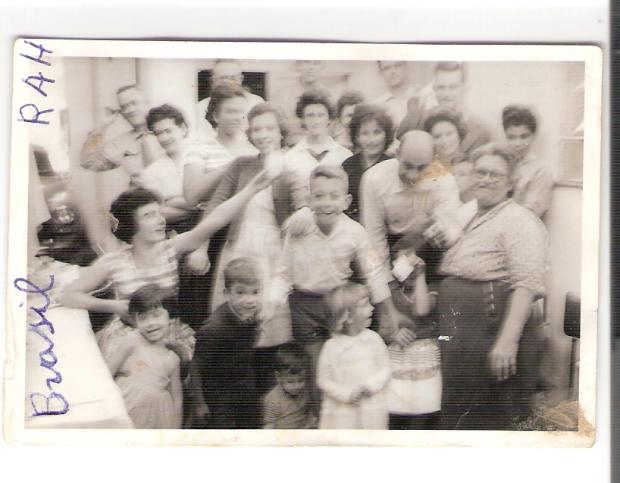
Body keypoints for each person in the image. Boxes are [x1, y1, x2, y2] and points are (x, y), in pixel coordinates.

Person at [57, 167, 276, 360]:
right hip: (129, 339)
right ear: (131, 224)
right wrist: (114, 306)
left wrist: (252, 188)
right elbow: (67, 295)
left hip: (168, 335)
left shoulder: (171, 249)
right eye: (150, 215)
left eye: (160, 214)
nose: (161, 220)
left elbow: (215, 220)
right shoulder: (113, 262)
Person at [269, 165, 403, 413]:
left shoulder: (356, 232)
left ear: (346, 201)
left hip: (339, 305)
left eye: (334, 196)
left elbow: (374, 272)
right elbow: (283, 275)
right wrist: (270, 305)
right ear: (309, 199)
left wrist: (389, 313)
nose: (326, 203)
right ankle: (321, 421)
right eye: (319, 196)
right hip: (304, 306)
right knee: (317, 369)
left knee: (344, 363)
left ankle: (350, 419)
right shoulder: (298, 230)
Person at [436, 143, 547, 430]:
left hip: (492, 329)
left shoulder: (519, 220)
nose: (485, 179)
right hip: (464, 332)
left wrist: (507, 341)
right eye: (480, 172)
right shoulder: (471, 213)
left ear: (511, 182)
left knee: (493, 415)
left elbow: (526, 284)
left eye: (495, 175)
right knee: (462, 409)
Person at [193, 102, 293, 393]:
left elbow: (300, 211)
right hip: (238, 249)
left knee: (269, 328)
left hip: (274, 253)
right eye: (257, 129)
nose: (263, 134)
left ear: (281, 131)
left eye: (270, 128)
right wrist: (200, 247)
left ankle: (269, 397)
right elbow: (215, 205)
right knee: (234, 326)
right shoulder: (240, 165)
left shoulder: (291, 167)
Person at [359, 130, 461, 287]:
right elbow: (374, 237)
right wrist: (386, 284)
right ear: (397, 154)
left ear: (433, 160)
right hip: (390, 242)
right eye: (407, 166)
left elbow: (450, 234)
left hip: (428, 246)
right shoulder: (374, 178)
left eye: (421, 168)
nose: (413, 175)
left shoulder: (445, 180)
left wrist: (441, 235)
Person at [189, 257, 263, 429]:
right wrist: (200, 403)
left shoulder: (253, 313)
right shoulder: (213, 328)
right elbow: (196, 366)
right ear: (227, 293)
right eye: (240, 292)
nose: (249, 299)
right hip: (219, 390)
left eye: (255, 292)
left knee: (252, 428)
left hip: (244, 383)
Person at [104, 284, 182, 429]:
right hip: (126, 404)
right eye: (143, 318)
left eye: (156, 315)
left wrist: (175, 431)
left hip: (157, 416)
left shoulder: (173, 359)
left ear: (170, 318)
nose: (150, 323)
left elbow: (177, 399)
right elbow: (107, 373)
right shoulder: (133, 340)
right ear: (135, 322)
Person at [273, 90, 352, 229]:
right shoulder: (289, 158)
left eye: (321, 115)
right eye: (310, 115)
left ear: (329, 119)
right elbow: (282, 201)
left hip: (336, 227)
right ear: (303, 119)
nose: (316, 121)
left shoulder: (345, 155)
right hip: (301, 228)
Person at [317, 283, 391, 429]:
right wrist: (347, 395)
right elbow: (323, 380)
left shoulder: (373, 339)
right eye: (365, 304)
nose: (372, 308)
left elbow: (386, 368)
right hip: (342, 411)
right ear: (348, 317)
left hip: (371, 406)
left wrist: (371, 385)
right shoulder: (332, 347)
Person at [384, 246, 442, 430]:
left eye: (414, 265)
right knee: (396, 408)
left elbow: (421, 310)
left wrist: (420, 276)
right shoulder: (390, 293)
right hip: (398, 358)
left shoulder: (431, 289)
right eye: (405, 264)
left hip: (424, 359)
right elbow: (383, 328)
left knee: (423, 410)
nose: (410, 271)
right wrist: (393, 334)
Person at [397, 62, 490, 156]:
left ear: (464, 88)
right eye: (441, 87)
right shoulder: (419, 120)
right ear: (434, 89)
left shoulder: (481, 130)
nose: (446, 94)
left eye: (453, 87)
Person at [80, 84, 162, 178]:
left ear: (147, 103)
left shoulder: (167, 131)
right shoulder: (122, 142)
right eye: (124, 107)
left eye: (134, 103)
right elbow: (88, 162)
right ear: (121, 114)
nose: (130, 110)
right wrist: (102, 127)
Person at [138, 104, 198, 229]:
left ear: (182, 129)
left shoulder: (202, 157)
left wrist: (172, 201)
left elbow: (214, 199)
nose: (164, 138)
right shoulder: (151, 172)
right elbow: (155, 213)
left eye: (168, 131)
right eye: (158, 133)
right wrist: (196, 211)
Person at [341, 104, 393, 222]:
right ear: (357, 137)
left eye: (377, 132)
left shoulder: (391, 165)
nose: (371, 140)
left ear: (386, 134)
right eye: (365, 133)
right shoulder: (348, 166)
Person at [502, 104, 555, 218]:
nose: (517, 143)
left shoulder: (541, 170)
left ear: (533, 136)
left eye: (524, 137)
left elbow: (532, 212)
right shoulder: (502, 164)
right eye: (511, 137)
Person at [195, 59, 264, 141]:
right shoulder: (201, 107)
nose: (229, 83)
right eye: (223, 78)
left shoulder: (256, 103)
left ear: (241, 79)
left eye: (233, 78)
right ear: (213, 81)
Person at [263, 342, 316, 429]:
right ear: (278, 377)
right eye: (290, 382)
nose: (297, 386)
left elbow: (308, 413)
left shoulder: (304, 391)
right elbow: (268, 426)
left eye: (301, 380)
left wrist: (311, 423)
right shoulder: (273, 399)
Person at [372, 61, 418, 127]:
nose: (393, 71)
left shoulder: (421, 96)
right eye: (387, 68)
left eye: (397, 65)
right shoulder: (376, 105)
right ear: (381, 74)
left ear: (406, 67)